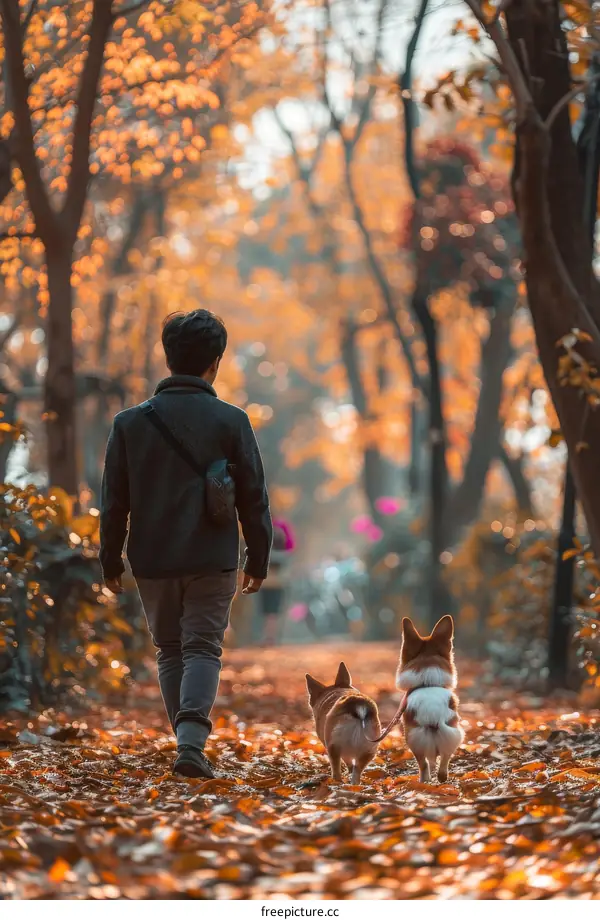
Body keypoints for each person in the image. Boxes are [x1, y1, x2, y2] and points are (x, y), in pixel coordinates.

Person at [99, 309, 272, 779]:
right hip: (212, 556)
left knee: (170, 649)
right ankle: (190, 745)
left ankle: (187, 744)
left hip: (151, 558)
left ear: (168, 357)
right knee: (202, 648)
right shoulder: (232, 421)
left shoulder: (129, 424)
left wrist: (109, 558)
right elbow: (253, 495)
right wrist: (258, 557)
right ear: (215, 362)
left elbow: (115, 500)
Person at [257, 518, 294, 646]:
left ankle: (270, 637)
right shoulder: (285, 551)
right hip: (276, 582)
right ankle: (270, 636)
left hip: (267, 582)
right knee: (272, 611)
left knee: (269, 611)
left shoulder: (267, 548)